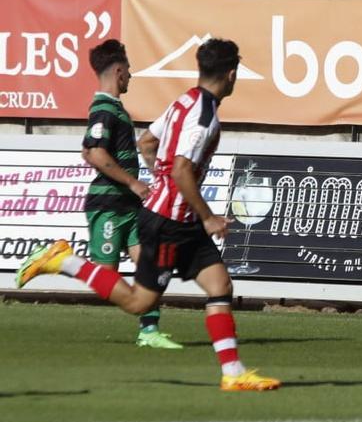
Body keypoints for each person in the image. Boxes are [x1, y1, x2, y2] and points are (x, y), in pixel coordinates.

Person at [16, 38, 280, 392]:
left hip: (176, 217)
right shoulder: (203, 119)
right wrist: (208, 217)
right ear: (231, 75)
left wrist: (163, 181)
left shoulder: (183, 101)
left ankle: (233, 373)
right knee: (140, 301)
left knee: (220, 286)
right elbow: (183, 170)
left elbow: (146, 144)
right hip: (170, 224)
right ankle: (64, 261)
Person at [78, 39, 182, 350]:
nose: (131, 77)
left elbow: (88, 150)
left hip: (127, 206)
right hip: (108, 204)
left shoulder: (114, 110)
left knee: (150, 264)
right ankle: (58, 260)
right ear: (119, 71)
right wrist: (134, 183)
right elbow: (96, 154)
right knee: (104, 278)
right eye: (129, 71)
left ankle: (149, 331)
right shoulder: (104, 109)